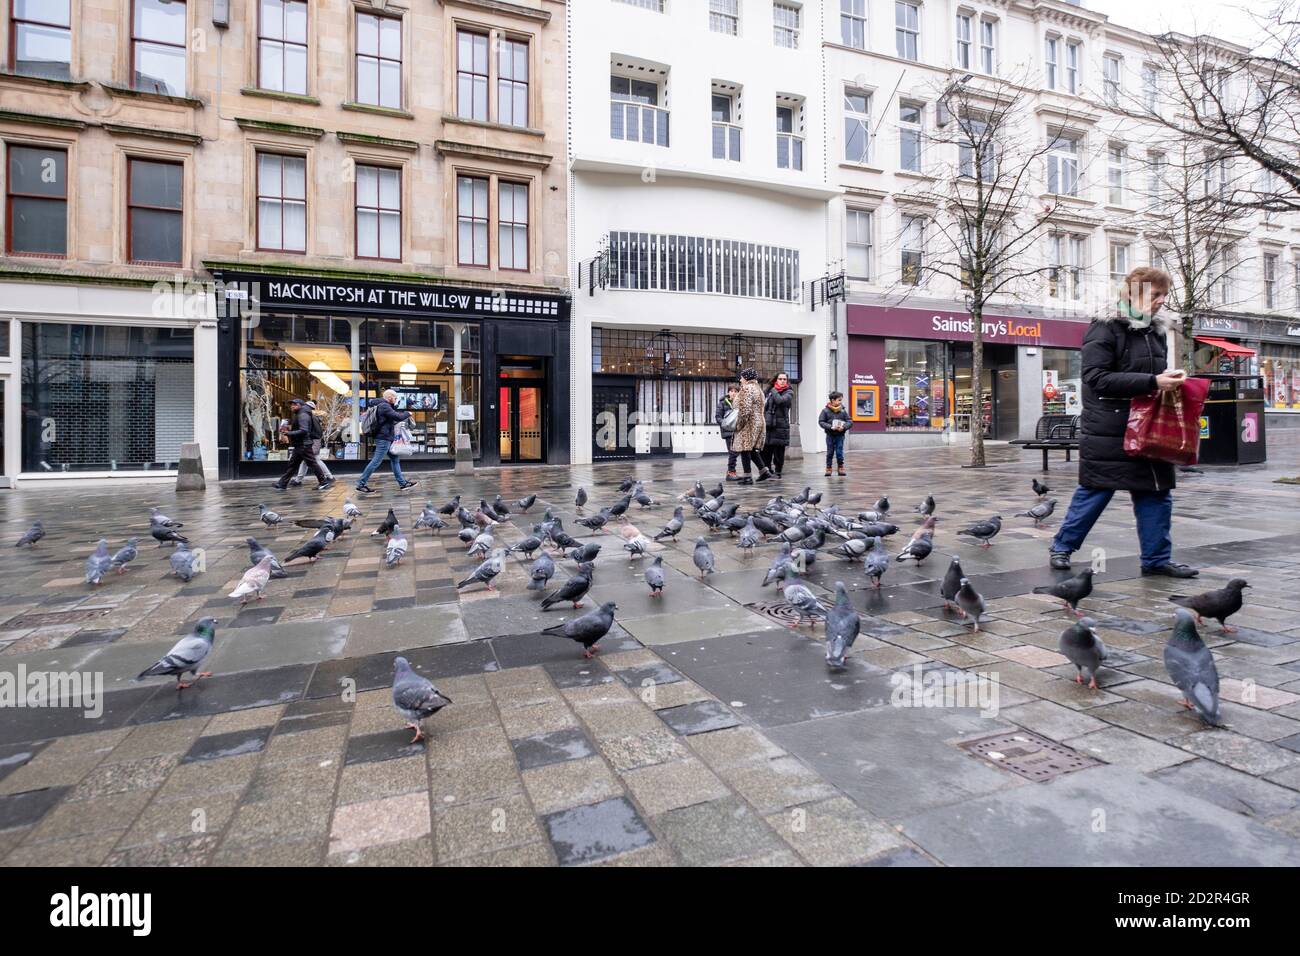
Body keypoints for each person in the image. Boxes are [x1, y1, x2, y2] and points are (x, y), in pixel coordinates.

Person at [1049, 266, 1197, 578]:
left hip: (1147, 426)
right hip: (1110, 428)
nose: (1160, 301)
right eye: (1155, 294)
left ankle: (1156, 560)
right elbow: (1095, 378)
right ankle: (1062, 547)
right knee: (1096, 490)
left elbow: (1150, 378)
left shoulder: (1155, 331)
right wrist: (1153, 381)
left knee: (1156, 492)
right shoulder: (1105, 328)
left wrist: (1168, 382)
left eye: (1164, 295)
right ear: (1133, 293)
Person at [356, 389, 419, 494]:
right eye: (395, 397)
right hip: (383, 439)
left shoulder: (382, 405)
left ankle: (403, 483)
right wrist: (408, 413)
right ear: (389, 397)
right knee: (376, 461)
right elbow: (398, 417)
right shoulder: (384, 406)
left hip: (386, 438)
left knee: (395, 460)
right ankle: (360, 484)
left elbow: (391, 419)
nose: (396, 399)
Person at [274, 398, 333, 491]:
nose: (292, 406)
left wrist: (289, 433)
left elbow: (304, 430)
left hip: (303, 444)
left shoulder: (303, 415)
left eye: (294, 404)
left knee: (312, 463)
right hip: (300, 444)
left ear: (300, 405)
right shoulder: (301, 414)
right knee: (293, 465)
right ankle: (282, 483)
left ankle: (324, 482)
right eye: (291, 404)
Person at [731, 369, 771, 485]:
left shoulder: (747, 388)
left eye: (742, 377)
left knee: (745, 449)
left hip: (748, 424)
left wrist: (739, 424)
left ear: (746, 378)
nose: (740, 379)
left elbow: (745, 409)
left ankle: (747, 477)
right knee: (751, 449)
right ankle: (764, 471)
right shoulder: (758, 389)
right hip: (758, 422)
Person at [761, 372, 794, 479]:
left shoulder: (789, 392)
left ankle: (778, 472)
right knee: (766, 450)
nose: (782, 381)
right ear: (776, 380)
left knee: (779, 452)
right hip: (768, 425)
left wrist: (773, 390)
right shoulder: (768, 392)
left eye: (784, 379)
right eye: (780, 379)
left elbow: (780, 401)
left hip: (780, 426)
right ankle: (767, 470)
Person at [818, 391, 852, 477]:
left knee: (839, 452)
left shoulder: (843, 411)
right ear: (833, 400)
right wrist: (830, 427)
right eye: (839, 400)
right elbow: (821, 422)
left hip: (840, 435)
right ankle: (828, 468)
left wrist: (843, 427)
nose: (840, 402)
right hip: (830, 435)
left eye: (841, 400)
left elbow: (849, 421)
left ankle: (840, 467)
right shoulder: (825, 411)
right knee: (830, 452)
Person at [715, 384, 741, 481]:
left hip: (738, 431)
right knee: (733, 452)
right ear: (728, 392)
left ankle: (731, 472)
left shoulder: (740, 403)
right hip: (728, 432)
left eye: (736, 391)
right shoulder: (722, 403)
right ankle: (731, 472)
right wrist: (726, 424)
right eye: (731, 391)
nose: (733, 393)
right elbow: (718, 417)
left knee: (736, 451)